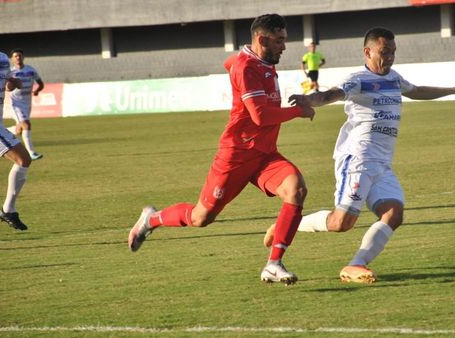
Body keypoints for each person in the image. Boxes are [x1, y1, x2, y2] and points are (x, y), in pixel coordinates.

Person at [264, 27, 455, 283]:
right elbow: (331, 94)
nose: (390, 57)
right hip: (358, 160)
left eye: (393, 52)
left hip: (383, 163)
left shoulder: (394, 78)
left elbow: (417, 91)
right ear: (368, 51)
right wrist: (309, 100)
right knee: (341, 223)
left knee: (394, 214)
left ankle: (355, 265)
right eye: (385, 52)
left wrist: (454, 90)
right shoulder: (358, 80)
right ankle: (285, 227)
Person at [128, 14, 315, 285]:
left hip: (264, 155)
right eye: (279, 41)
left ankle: (274, 264)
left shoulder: (258, 60)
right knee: (201, 217)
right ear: (262, 39)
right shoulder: (246, 67)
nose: (284, 47)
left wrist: (235, 63)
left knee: (296, 189)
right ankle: (151, 219)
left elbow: (229, 63)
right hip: (236, 155)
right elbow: (260, 115)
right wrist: (298, 110)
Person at [0, 22, 31, 231]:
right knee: (23, 158)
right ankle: (8, 210)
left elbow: (6, 81)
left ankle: (8, 209)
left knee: (23, 160)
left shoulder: (1, 59)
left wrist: (13, 83)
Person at [8, 48, 45, 160]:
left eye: (19, 55)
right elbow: (7, 88)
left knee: (20, 129)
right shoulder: (11, 73)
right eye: (15, 56)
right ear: (12, 59)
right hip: (16, 103)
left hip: (27, 103)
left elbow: (41, 84)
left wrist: (37, 90)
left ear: (23, 57)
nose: (18, 57)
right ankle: (31, 152)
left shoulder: (31, 70)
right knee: (26, 125)